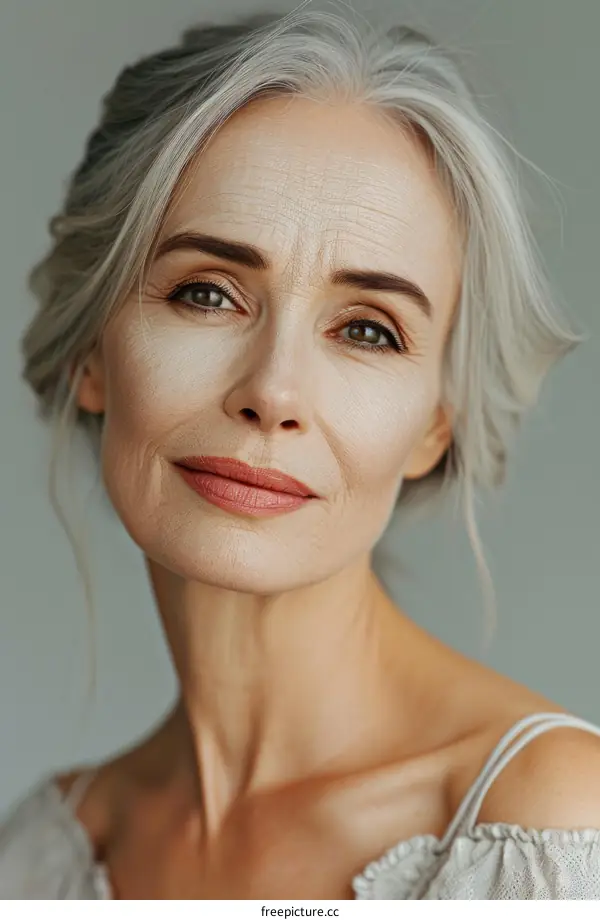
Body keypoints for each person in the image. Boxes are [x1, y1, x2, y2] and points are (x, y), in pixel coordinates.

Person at [1, 3, 598, 901]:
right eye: (206, 293)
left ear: (437, 423)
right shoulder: (44, 854)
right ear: (92, 350)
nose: (272, 392)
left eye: (367, 329)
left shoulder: (553, 832)